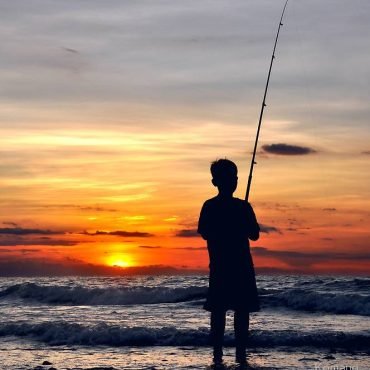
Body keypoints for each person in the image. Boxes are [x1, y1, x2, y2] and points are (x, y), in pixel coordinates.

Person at [197, 158, 260, 367]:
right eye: (228, 178)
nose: (232, 181)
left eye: (233, 177)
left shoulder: (218, 206)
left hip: (225, 267)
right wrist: (237, 221)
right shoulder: (239, 206)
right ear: (215, 181)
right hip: (233, 267)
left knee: (223, 311)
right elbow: (255, 235)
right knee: (232, 312)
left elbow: (253, 234)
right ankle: (229, 356)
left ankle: (224, 356)